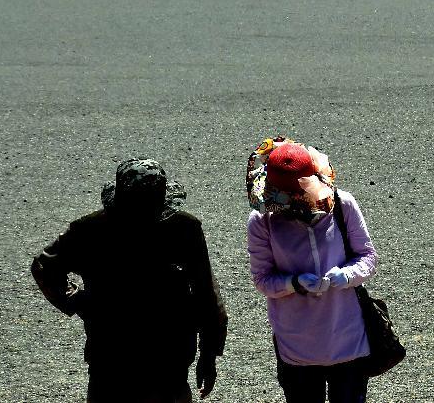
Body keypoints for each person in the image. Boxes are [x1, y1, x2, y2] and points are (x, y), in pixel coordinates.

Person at [31, 158, 228, 403]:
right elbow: (207, 295)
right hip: (163, 359)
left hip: (115, 359)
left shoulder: (91, 229)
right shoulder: (183, 228)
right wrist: (208, 355)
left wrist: (79, 302)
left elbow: (44, 265)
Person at [246, 137, 377, 403]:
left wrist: (347, 275)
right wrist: (293, 283)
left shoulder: (343, 204)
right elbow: (262, 279)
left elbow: (368, 256)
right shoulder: (262, 222)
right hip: (297, 349)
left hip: (347, 341)